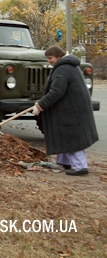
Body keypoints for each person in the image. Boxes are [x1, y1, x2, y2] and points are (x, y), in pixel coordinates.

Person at [34, 46, 99, 176]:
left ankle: (80, 166)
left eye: (50, 58)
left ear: (58, 56)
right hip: (71, 108)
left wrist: (41, 105)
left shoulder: (63, 70)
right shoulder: (68, 67)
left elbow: (56, 92)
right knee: (63, 134)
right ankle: (64, 162)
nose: (49, 61)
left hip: (71, 110)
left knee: (72, 136)